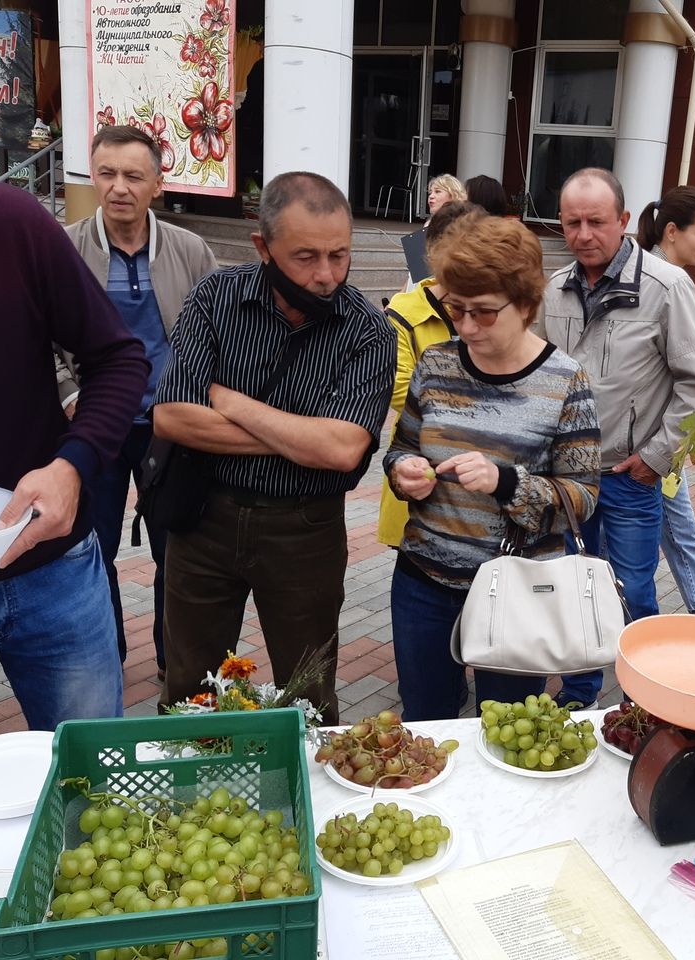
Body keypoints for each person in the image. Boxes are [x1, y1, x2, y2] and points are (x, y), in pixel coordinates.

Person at [0, 170, 149, 750]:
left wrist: (73, 465)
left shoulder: (6, 221)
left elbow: (117, 358)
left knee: (96, 785)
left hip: (52, 574)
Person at [152, 172, 395, 725]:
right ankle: (191, 785)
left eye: (339, 254)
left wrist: (232, 405)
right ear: (263, 247)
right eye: (306, 256)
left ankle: (312, 794)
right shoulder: (216, 298)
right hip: (203, 519)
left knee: (307, 690)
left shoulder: (368, 331)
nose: (327, 275)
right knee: (191, 684)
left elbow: (342, 450)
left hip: (304, 529)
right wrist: (300, 437)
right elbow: (171, 417)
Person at [384, 216, 601, 721]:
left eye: (483, 313)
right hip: (423, 580)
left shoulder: (566, 381)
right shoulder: (436, 364)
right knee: (426, 722)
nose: (465, 326)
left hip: (518, 589)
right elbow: (400, 448)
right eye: (455, 309)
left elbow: (583, 498)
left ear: (526, 304)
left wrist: (507, 482)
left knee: (506, 729)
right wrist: (405, 473)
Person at [540, 167, 695, 708]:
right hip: (570, 480)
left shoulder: (667, 287)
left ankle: (646, 698)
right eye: (572, 223)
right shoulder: (555, 290)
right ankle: (580, 693)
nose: (584, 234)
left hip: (629, 477)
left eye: (596, 221)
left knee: (633, 592)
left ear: (622, 220)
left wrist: (655, 456)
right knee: (576, 590)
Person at [58, 125, 218, 675]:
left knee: (176, 553)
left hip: (169, 426)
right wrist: (71, 393)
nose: (118, 187)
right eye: (106, 174)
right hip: (95, 428)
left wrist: (198, 397)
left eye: (133, 175)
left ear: (157, 183)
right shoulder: (67, 247)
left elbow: (216, 329)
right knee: (91, 555)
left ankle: (176, 662)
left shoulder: (190, 249)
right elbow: (38, 334)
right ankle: (107, 658)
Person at [377, 201, 485, 548]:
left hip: (481, 475)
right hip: (420, 464)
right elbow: (400, 392)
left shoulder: (496, 307)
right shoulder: (403, 314)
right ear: (433, 252)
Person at [636, 186, 695, 616]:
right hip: (653, 441)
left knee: (647, 536)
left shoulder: (638, 271)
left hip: (650, 436)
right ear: (672, 231)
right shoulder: (671, 282)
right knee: (678, 530)